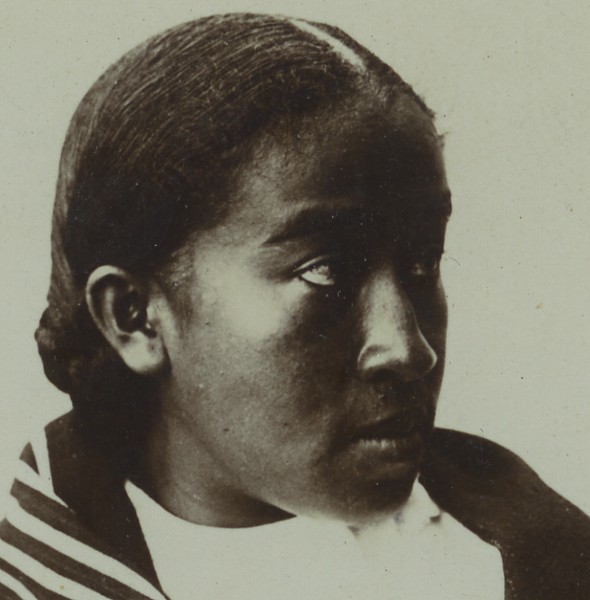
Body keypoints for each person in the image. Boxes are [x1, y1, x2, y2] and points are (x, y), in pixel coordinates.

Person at [0, 12, 588, 600]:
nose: (409, 349)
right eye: (324, 270)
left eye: (423, 263)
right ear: (135, 317)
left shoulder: (538, 557)